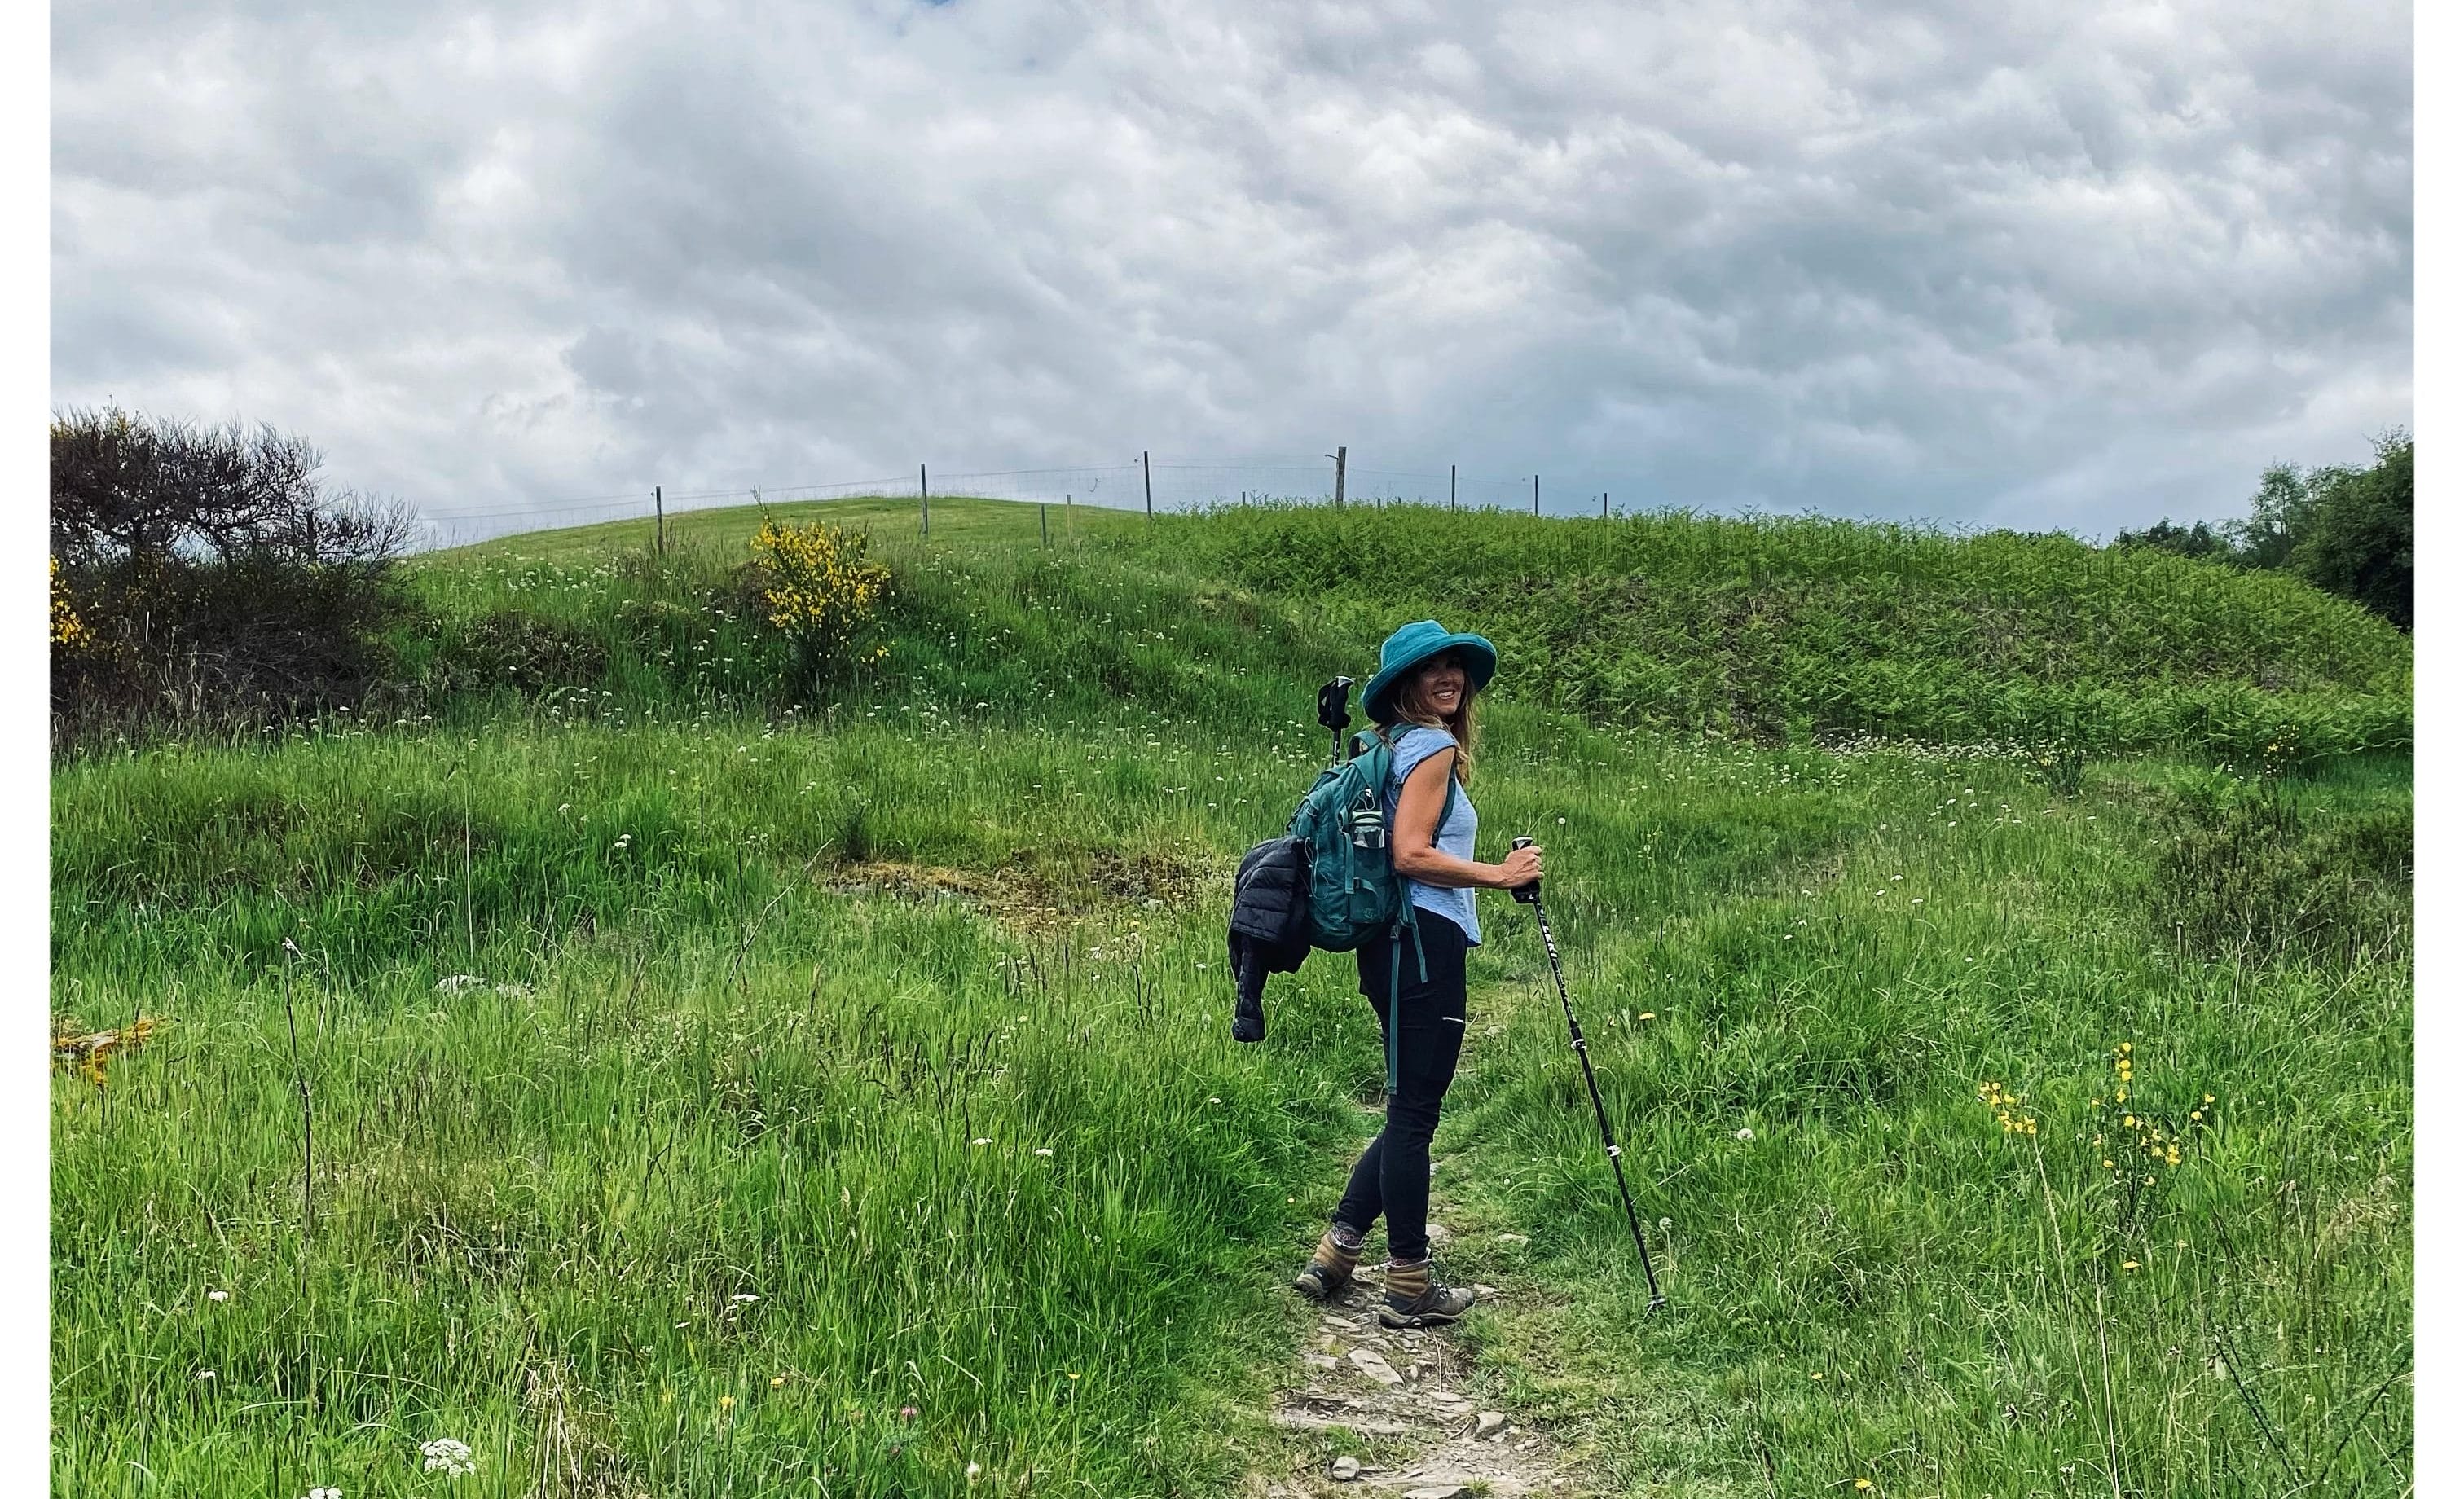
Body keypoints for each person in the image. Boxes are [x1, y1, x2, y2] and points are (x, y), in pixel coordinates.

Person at [1291, 620, 1542, 1328]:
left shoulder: (1387, 748)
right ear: (1403, 685)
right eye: (1432, 669)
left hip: (1388, 944)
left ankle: (1337, 1253)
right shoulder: (1430, 745)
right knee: (1414, 1114)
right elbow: (1409, 854)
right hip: (1423, 940)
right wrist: (1499, 873)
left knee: (1408, 1106)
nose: (1450, 678)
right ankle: (1407, 1282)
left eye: (1457, 668)